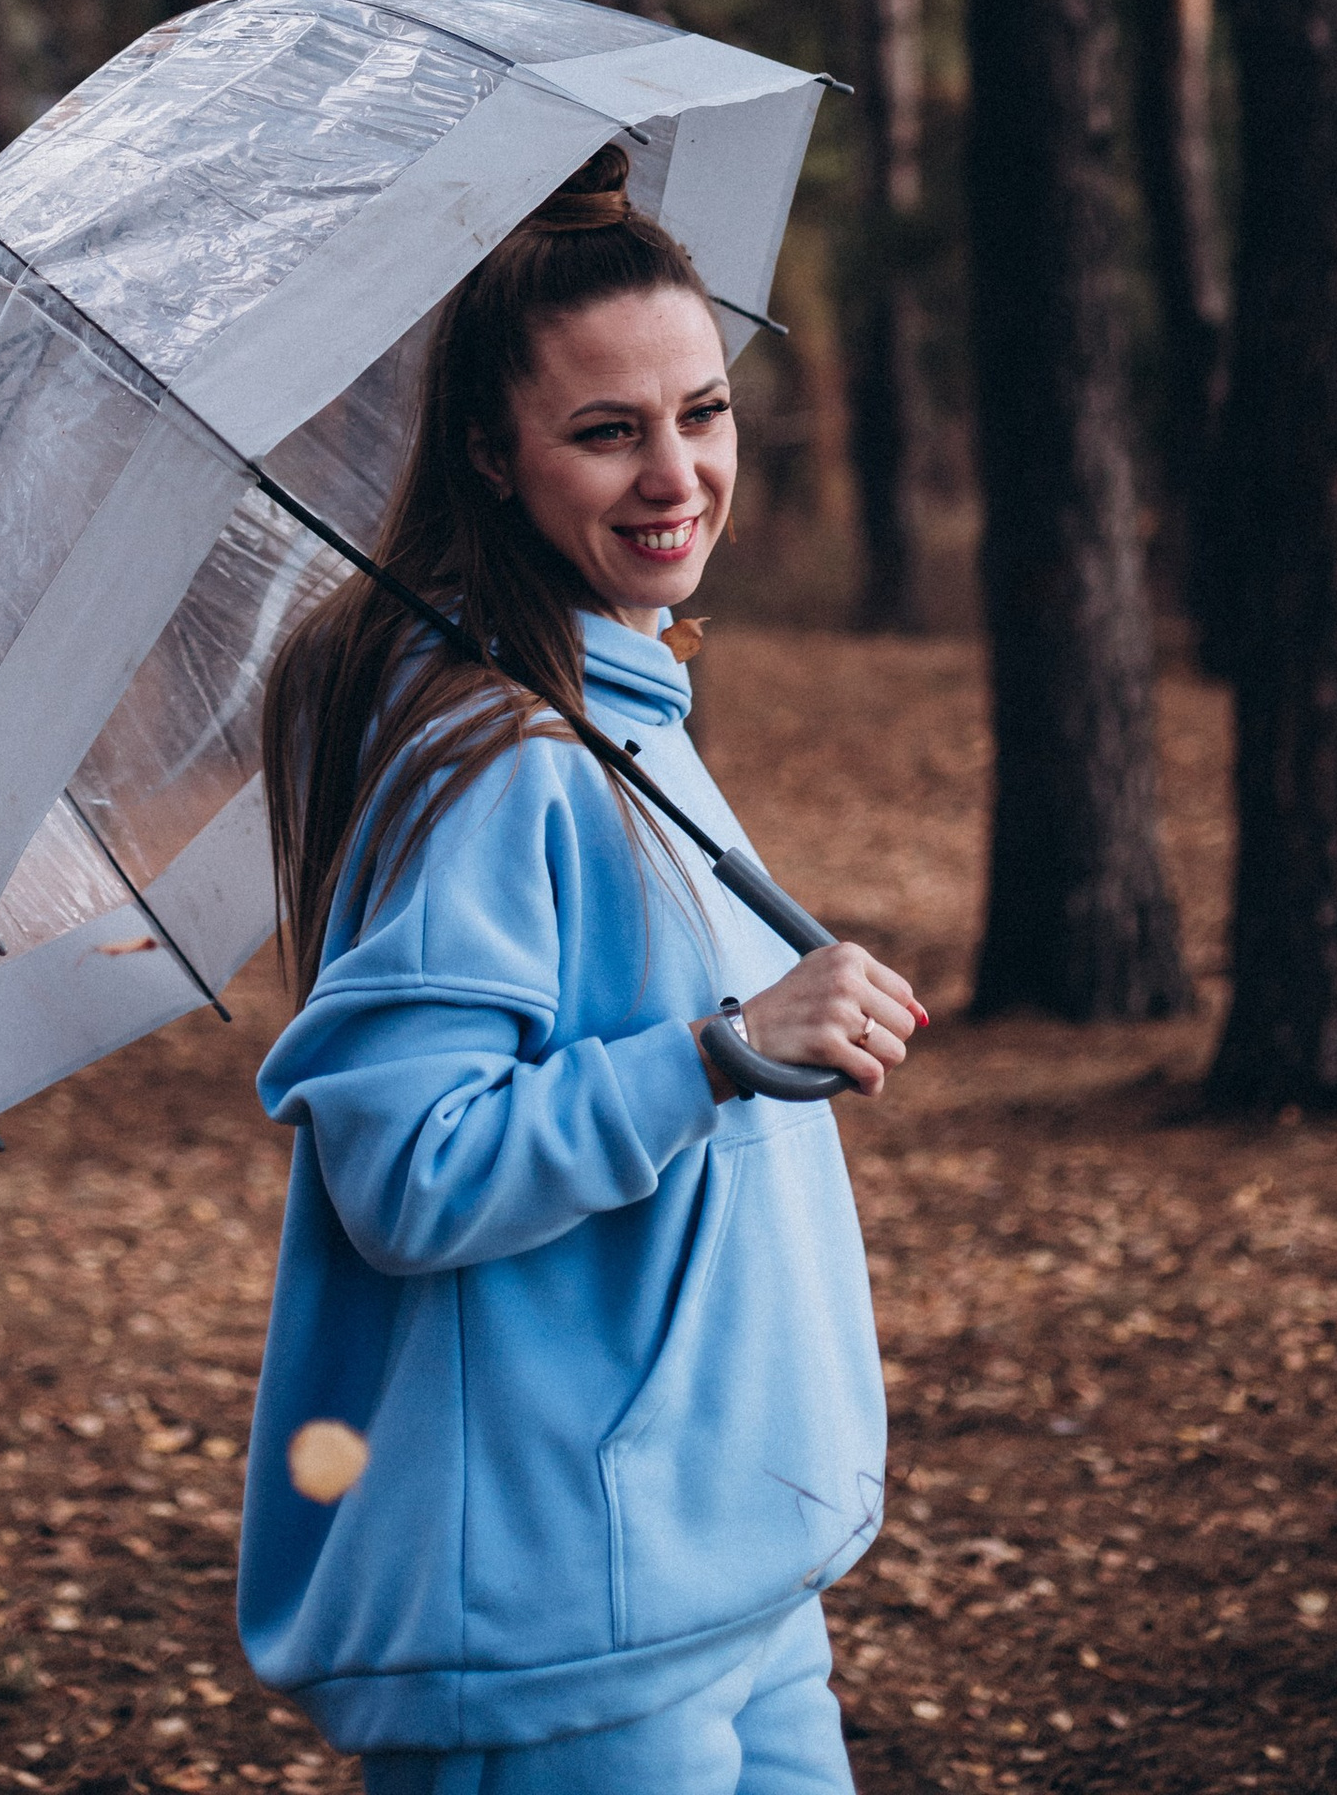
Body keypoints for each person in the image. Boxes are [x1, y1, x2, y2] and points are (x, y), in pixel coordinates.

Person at [240, 146, 924, 1794]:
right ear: (493, 454)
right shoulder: (492, 760)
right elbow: (408, 1171)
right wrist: (718, 1051)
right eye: (608, 431)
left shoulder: (623, 708)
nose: (676, 474)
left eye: (706, 411)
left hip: (732, 1571)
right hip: (565, 1627)